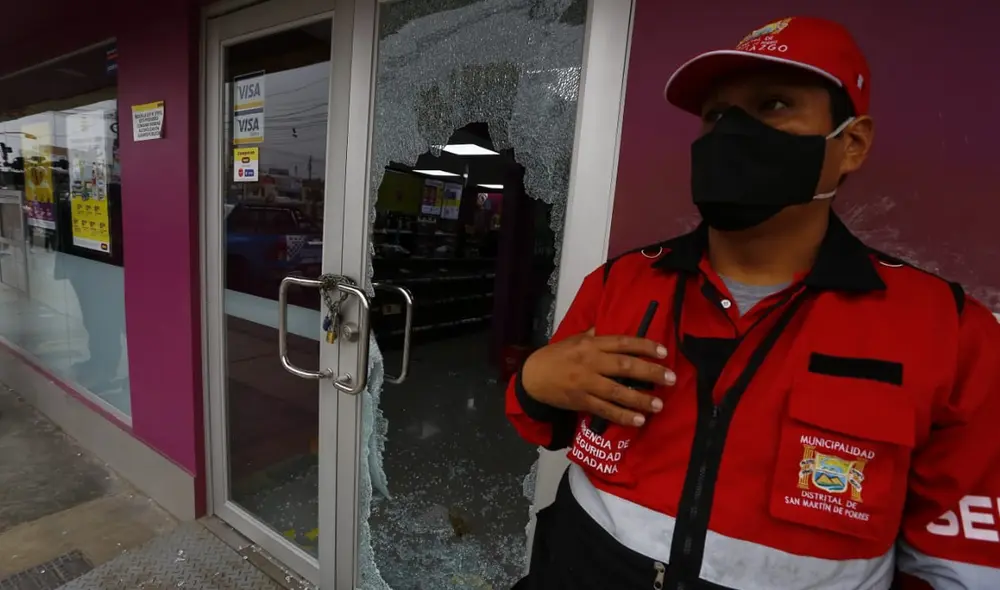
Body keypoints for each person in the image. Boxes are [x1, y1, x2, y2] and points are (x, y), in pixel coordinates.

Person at [506, 16, 1000, 590]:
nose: (734, 132)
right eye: (717, 115)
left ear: (852, 144)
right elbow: (548, 422)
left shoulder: (949, 330)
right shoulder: (623, 281)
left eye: (774, 104)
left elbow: (960, 564)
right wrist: (533, 381)